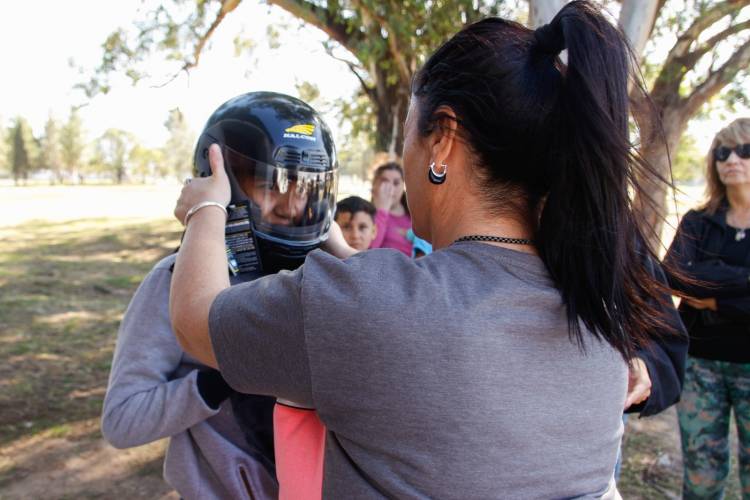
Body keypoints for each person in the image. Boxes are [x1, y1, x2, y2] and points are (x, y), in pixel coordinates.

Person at [169, 2, 685, 497]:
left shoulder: (369, 309)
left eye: (410, 134)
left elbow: (197, 322)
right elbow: (423, 319)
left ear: (442, 141)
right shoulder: (599, 311)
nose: (406, 155)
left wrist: (206, 209)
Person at [102, 91, 340, 500]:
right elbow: (123, 419)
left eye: (305, 186)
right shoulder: (175, 280)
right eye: (274, 185)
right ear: (223, 184)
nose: (293, 204)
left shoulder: (324, 275)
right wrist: (221, 379)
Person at [664, 117, 750, 499]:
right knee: (701, 477)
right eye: (722, 151)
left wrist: (714, 296)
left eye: (744, 150)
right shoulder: (697, 222)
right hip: (700, 362)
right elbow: (674, 277)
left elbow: (694, 278)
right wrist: (742, 280)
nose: (732, 159)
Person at [370, 162, 413, 255]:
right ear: (374, 185)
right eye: (385, 182)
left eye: (396, 183)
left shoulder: (414, 214)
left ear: (403, 186)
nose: (390, 188)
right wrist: (382, 211)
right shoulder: (367, 215)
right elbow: (370, 249)